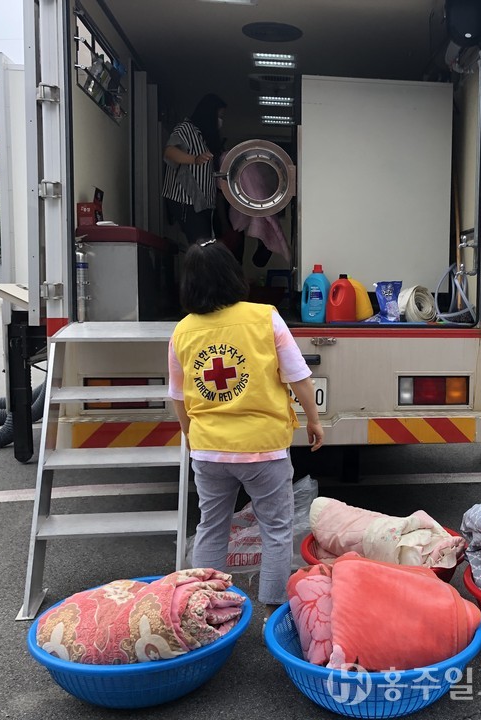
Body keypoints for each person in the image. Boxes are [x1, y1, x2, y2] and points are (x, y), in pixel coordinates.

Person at [168, 239, 324, 622]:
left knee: (211, 526)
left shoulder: (182, 332)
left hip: (209, 450)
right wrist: (314, 421)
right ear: (233, 276)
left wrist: (191, 434)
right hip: (263, 448)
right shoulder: (264, 317)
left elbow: (178, 395)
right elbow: (299, 376)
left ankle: (200, 607)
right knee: (275, 527)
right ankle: (273, 611)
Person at [162, 94, 227, 244]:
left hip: (203, 204)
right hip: (187, 201)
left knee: (205, 247)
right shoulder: (186, 129)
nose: (221, 121)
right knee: (202, 249)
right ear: (210, 114)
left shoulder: (205, 138)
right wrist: (194, 159)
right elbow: (170, 152)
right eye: (220, 116)